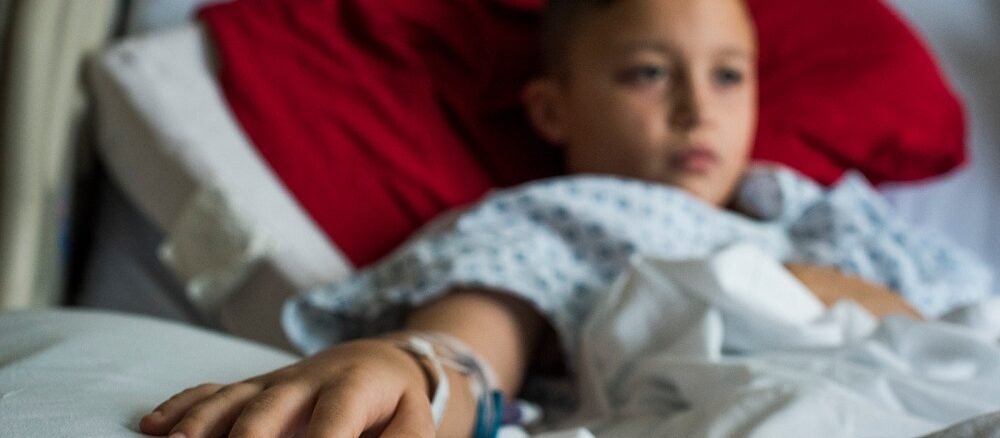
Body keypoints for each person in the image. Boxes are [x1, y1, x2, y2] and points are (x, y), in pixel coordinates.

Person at [138, 0, 957, 436]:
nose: (696, 108)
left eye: (728, 75)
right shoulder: (558, 221)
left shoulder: (820, 211)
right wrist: (408, 374)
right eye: (648, 73)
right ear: (552, 109)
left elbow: (964, 330)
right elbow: (468, 353)